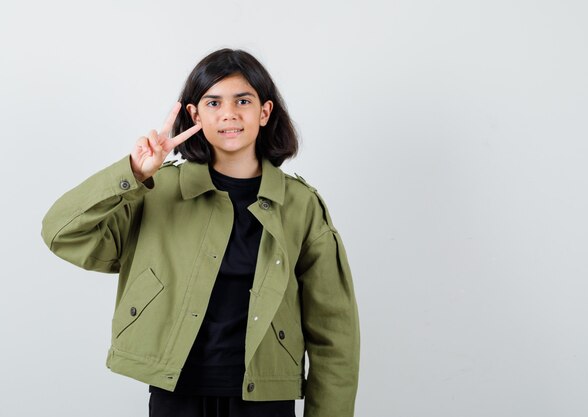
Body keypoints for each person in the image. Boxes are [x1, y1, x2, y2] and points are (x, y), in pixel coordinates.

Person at [41, 48, 360, 417]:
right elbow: (61, 232)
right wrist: (134, 172)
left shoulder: (301, 205)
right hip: (177, 392)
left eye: (243, 100)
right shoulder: (157, 191)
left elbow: (335, 332)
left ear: (264, 112)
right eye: (213, 102)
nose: (229, 113)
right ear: (194, 114)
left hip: (265, 398)